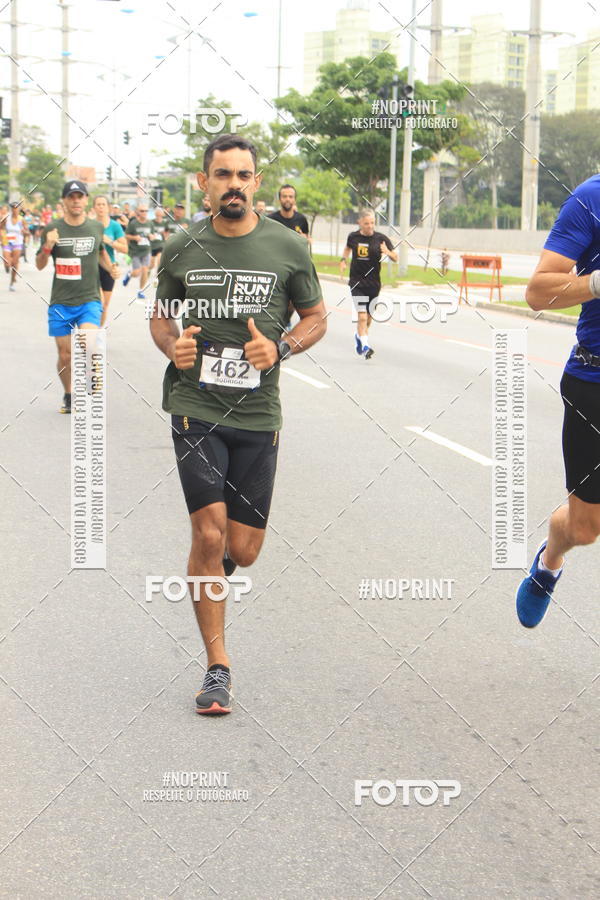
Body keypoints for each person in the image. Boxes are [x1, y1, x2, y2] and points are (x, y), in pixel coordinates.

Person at [149, 134, 326, 715]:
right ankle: (217, 668)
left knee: (242, 551)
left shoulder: (286, 246)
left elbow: (316, 317)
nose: (234, 184)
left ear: (256, 182)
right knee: (209, 534)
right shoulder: (181, 247)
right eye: (222, 174)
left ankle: (212, 573)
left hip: (258, 413)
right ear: (205, 183)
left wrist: (283, 347)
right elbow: (160, 319)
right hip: (195, 405)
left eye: (243, 175)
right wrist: (172, 346)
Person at [515, 174, 600, 627]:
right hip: (594, 381)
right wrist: (596, 283)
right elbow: (538, 292)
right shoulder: (591, 199)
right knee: (585, 528)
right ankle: (550, 559)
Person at [36, 180, 118, 414]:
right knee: (65, 355)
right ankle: (69, 393)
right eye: (71, 196)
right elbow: (40, 265)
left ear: (85, 200)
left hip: (89, 299)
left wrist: (110, 266)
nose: (75, 200)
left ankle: (92, 387)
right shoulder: (52, 228)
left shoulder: (95, 228)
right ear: (64, 201)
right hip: (61, 302)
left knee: (89, 343)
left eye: (79, 196)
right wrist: (47, 247)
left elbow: (101, 252)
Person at [340, 211, 397, 359]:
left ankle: (359, 337)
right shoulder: (353, 237)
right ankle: (365, 346)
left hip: (373, 284)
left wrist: (387, 252)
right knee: (362, 316)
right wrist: (343, 260)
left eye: (372, 223)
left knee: (369, 319)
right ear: (360, 223)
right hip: (357, 282)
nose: (370, 226)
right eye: (366, 223)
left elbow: (396, 257)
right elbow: (347, 248)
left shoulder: (381, 239)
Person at [93, 195, 127, 326]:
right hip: (92, 267)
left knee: (104, 306)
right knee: (98, 303)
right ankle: (89, 331)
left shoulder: (115, 226)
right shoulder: (90, 225)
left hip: (109, 268)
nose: (101, 207)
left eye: (103, 204)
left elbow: (125, 248)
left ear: (108, 208)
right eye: (98, 204)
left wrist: (110, 242)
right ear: (94, 208)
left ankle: (98, 333)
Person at [123, 203, 153, 299]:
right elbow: (126, 235)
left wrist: (152, 236)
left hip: (146, 250)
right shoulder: (133, 224)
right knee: (137, 273)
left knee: (145, 270)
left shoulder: (150, 223)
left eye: (146, 211)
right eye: (142, 211)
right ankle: (129, 274)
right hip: (135, 251)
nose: (144, 213)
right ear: (138, 212)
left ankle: (141, 290)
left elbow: (152, 234)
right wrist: (134, 237)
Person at [1, 202, 26, 291]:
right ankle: (7, 267)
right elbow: (1, 227)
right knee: (7, 263)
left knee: (15, 264)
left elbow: (27, 231)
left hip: (17, 243)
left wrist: (25, 233)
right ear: (11, 209)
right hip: (7, 242)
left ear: (19, 209)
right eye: (13, 208)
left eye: (16, 208)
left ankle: (12, 283)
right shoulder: (6, 218)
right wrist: (2, 235)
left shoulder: (21, 219)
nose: (15, 210)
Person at [148, 207, 165, 280]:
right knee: (151, 264)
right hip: (152, 246)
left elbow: (168, 233)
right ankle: (148, 270)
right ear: (155, 214)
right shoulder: (151, 222)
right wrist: (151, 235)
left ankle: (158, 276)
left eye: (160, 214)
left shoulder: (165, 223)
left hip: (161, 245)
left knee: (159, 259)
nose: (158, 216)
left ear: (162, 214)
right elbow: (148, 233)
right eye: (157, 214)